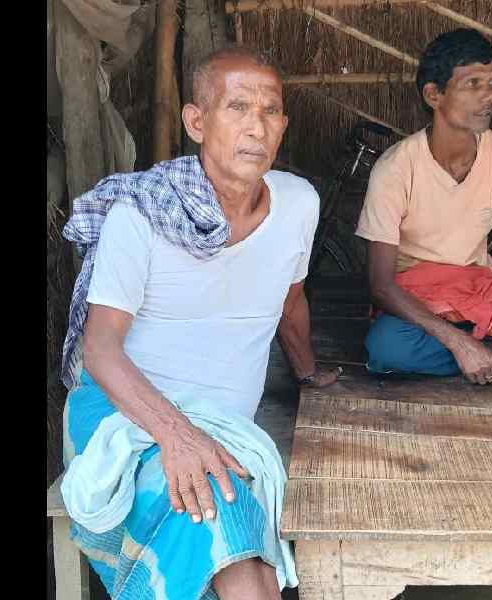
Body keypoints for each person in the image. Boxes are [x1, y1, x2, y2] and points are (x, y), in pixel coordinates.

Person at [57, 46, 337, 600]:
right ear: (196, 122)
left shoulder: (299, 204)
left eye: (270, 110)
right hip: (125, 418)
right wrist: (178, 435)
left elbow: (290, 301)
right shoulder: (141, 214)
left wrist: (307, 373)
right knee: (221, 512)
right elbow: (100, 349)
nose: (256, 126)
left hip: (224, 428)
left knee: (227, 521)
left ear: (283, 125)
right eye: (238, 107)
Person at [355, 28, 492, 393]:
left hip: (479, 288)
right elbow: (380, 286)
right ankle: (484, 356)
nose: (489, 96)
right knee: (385, 347)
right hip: (419, 303)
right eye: (473, 84)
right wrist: (460, 343)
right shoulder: (395, 168)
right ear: (434, 95)